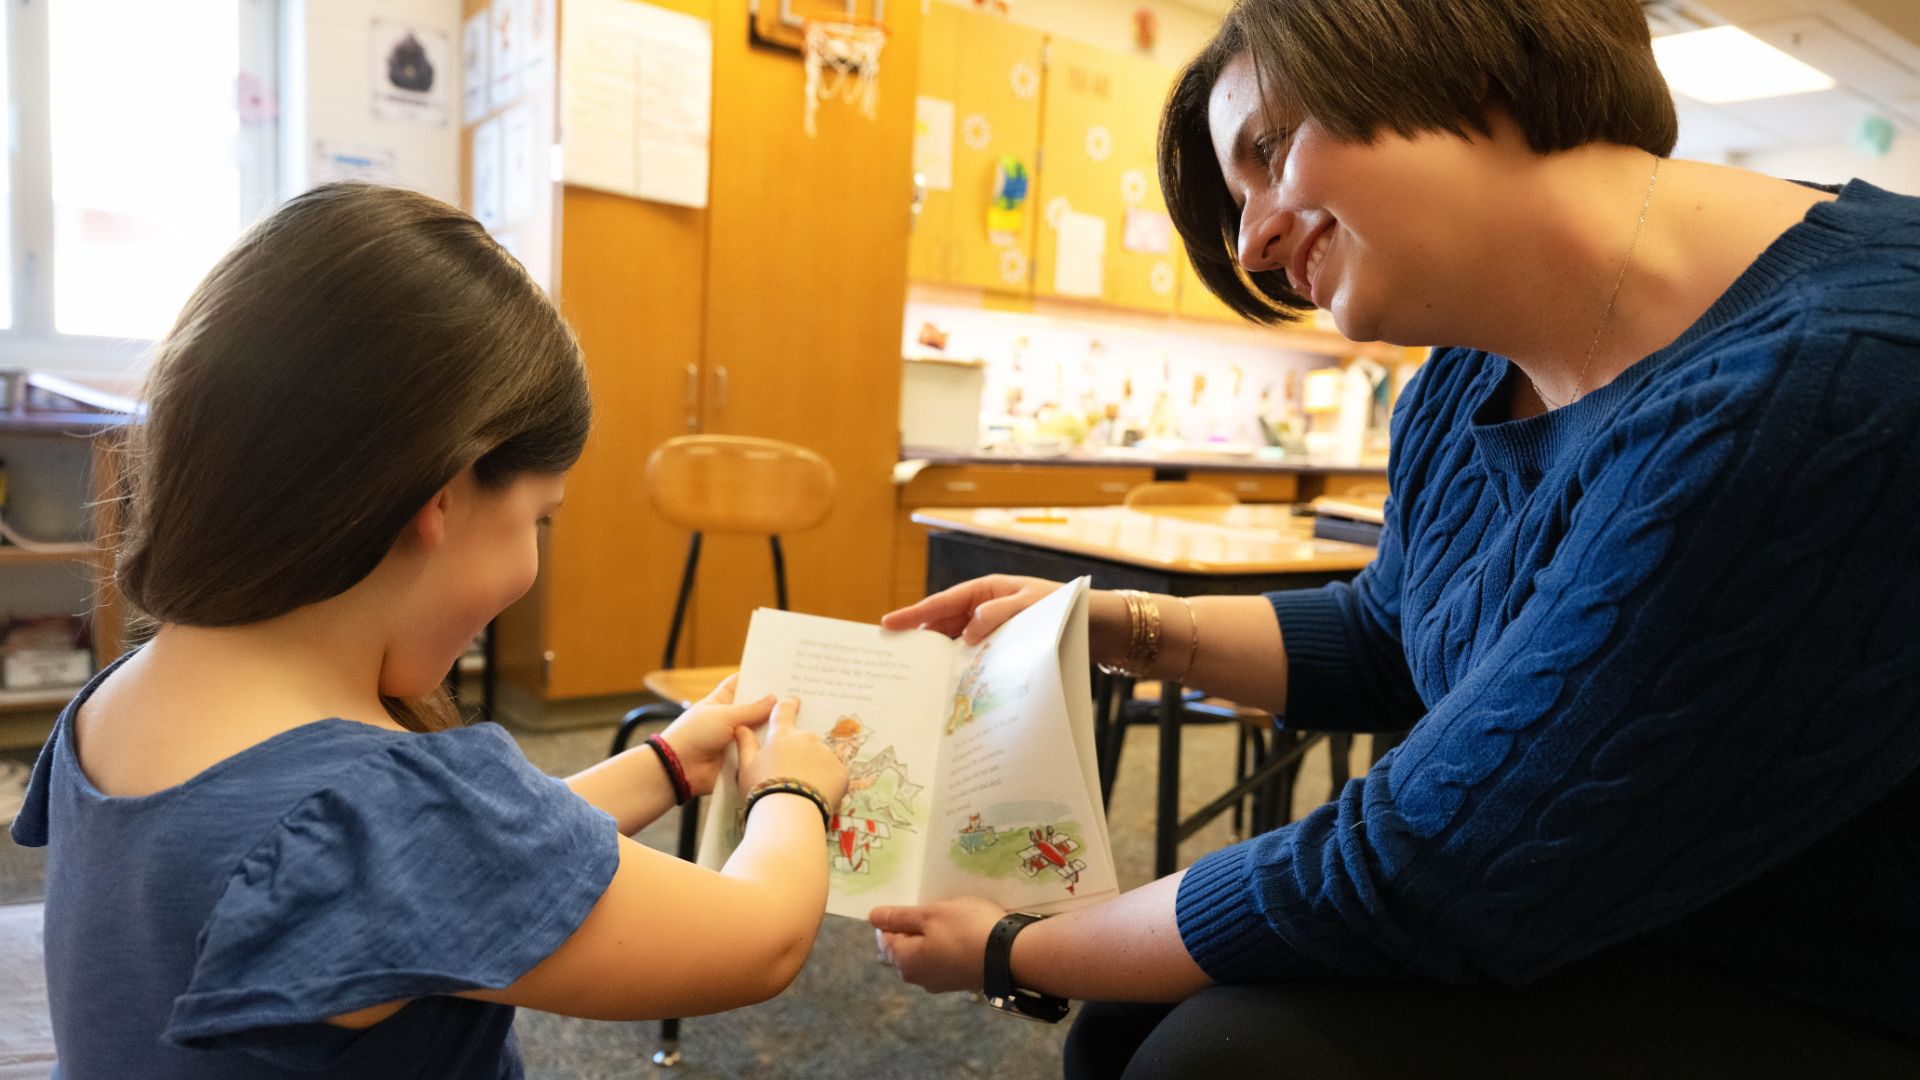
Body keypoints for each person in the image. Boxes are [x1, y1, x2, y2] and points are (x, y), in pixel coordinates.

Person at [868, 1, 1920, 1075]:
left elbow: (1422, 866)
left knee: (1221, 1059)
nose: (1256, 243)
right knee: (1135, 1025)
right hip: (1598, 895)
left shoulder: (1835, 385)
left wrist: (1015, 948)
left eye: (1270, 153)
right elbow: (1392, 630)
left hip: (1811, 965)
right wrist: (1108, 626)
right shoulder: (1469, 365)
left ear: (1465, 55)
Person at [9, 183, 849, 1078]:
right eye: (541, 518)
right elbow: (762, 938)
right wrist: (793, 794)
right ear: (441, 499)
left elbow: (458, 867)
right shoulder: (374, 807)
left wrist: (668, 766)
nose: (531, 562)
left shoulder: (118, 702)